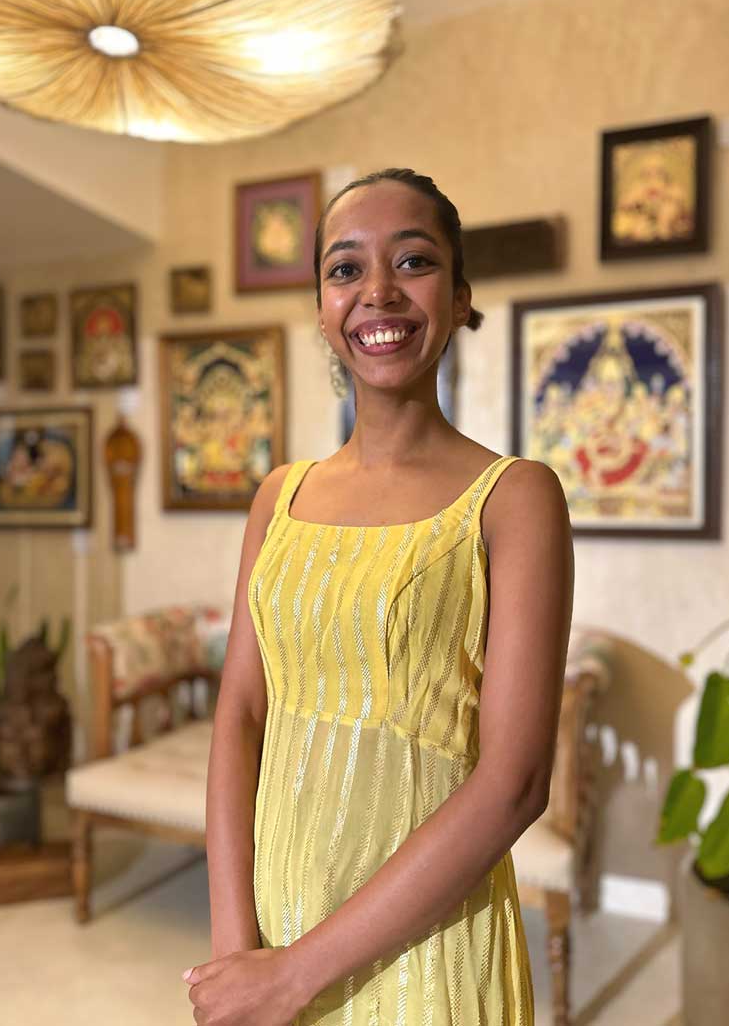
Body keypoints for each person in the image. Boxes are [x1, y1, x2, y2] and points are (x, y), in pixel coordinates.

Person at [184, 167, 575, 1025]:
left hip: (430, 951)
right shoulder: (278, 496)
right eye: (345, 268)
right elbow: (241, 712)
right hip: (272, 929)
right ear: (323, 308)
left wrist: (295, 975)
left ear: (460, 296)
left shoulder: (515, 497)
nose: (379, 291)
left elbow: (516, 782)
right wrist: (237, 954)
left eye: (414, 261)